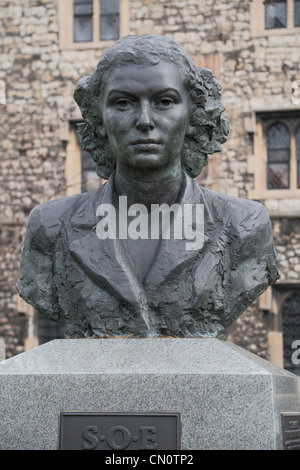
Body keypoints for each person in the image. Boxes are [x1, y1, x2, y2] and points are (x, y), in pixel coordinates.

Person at [17, 35, 280, 339]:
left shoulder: (245, 226)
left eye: (164, 101)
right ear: (99, 118)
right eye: (123, 102)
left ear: (193, 116)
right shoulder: (49, 228)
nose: (144, 120)